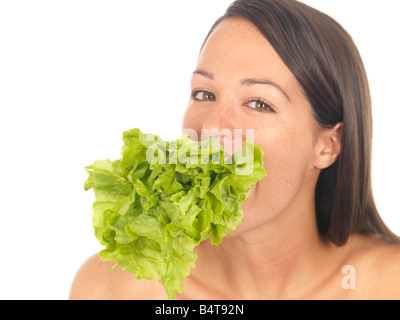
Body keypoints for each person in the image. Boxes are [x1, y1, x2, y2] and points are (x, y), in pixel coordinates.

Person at [69, 0, 400, 299]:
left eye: (259, 103)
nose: (212, 128)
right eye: (204, 94)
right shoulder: (115, 288)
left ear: (327, 146)